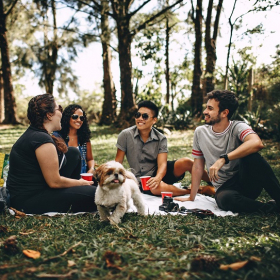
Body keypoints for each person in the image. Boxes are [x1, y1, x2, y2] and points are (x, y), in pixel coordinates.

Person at [176, 90, 280, 214]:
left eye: (210, 108)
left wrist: (223, 159)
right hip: (225, 189)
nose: (205, 112)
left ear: (225, 113)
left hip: (246, 181)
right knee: (224, 199)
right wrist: (191, 197)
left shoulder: (238, 127)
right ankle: (271, 209)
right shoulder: (200, 132)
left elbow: (256, 143)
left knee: (253, 157)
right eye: (206, 107)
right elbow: (198, 166)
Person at [7, 94, 97, 214]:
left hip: (41, 188)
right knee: (98, 195)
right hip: (28, 200)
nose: (61, 112)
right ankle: (81, 190)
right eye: (59, 108)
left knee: (73, 153)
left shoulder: (38, 134)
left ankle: (78, 190)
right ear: (49, 115)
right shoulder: (41, 140)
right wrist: (81, 183)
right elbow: (54, 182)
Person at [115, 100, 213, 196]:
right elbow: (118, 162)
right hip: (142, 180)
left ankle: (215, 181)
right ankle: (197, 191)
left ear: (154, 120)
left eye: (145, 116)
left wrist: (158, 178)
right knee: (155, 187)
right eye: (138, 115)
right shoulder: (125, 135)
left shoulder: (161, 138)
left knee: (186, 162)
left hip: (160, 172)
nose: (140, 118)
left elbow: (162, 164)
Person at [54, 104, 95, 174]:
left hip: (83, 177)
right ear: (67, 118)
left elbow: (90, 159)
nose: (79, 120)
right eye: (75, 117)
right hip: (64, 177)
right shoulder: (57, 137)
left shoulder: (84, 138)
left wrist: (91, 169)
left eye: (81, 118)